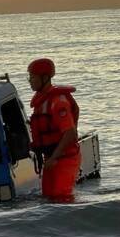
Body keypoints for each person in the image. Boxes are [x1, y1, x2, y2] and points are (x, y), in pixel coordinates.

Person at [28, 58, 80, 202]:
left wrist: (54, 157)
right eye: (29, 77)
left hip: (64, 158)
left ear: (45, 78)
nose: (30, 81)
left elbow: (70, 134)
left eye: (32, 77)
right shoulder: (41, 101)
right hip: (51, 158)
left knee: (61, 197)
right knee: (48, 198)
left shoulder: (58, 102)